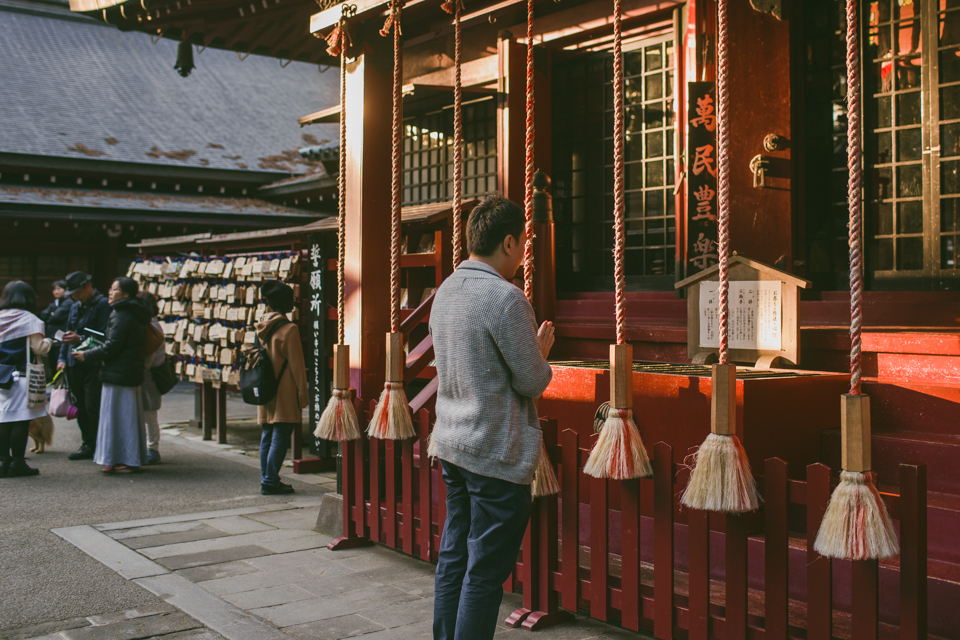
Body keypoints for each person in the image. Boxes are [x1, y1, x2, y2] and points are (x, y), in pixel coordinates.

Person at [429, 194, 555, 640]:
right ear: (507, 241)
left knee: (454, 559)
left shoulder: (445, 291)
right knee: (483, 574)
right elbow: (532, 382)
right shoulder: (505, 298)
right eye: (523, 243)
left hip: (453, 442)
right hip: (493, 451)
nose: (523, 254)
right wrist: (541, 353)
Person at [74, 277, 149, 472]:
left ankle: (122, 458)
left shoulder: (122, 313)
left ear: (125, 294)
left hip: (119, 371)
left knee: (117, 416)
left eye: (114, 289)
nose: (109, 292)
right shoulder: (132, 311)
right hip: (126, 370)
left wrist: (87, 354)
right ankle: (123, 457)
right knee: (124, 416)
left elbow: (113, 345)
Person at [253, 280, 308, 496]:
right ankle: (270, 480)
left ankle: (267, 478)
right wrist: (303, 396)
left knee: (267, 433)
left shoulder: (260, 326)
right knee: (281, 435)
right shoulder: (289, 329)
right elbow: (297, 367)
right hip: (283, 389)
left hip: (265, 387)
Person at [0, 281, 53, 477]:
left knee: (3, 420)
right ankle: (17, 464)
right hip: (23, 376)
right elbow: (39, 348)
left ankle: (2, 462)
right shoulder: (30, 319)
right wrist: (49, 341)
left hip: (2, 377)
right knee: (21, 421)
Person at [57, 271, 110, 460]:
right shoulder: (74, 306)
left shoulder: (103, 304)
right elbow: (67, 333)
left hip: (92, 362)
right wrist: (61, 358)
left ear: (87, 286)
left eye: (76, 292)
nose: (73, 296)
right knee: (80, 406)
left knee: (93, 405)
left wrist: (81, 339)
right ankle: (87, 443)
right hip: (73, 363)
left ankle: (100, 444)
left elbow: (106, 336)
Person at [137, 291, 165, 465]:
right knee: (148, 414)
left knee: (149, 414)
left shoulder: (152, 327)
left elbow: (151, 359)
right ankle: (149, 447)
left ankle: (152, 449)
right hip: (148, 372)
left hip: (149, 374)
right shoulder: (152, 324)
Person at [39, 280, 73, 379]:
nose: (56, 292)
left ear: (65, 290)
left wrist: (51, 314)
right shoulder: (54, 303)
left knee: (60, 364)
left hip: (61, 337)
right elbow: (43, 315)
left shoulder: (68, 302)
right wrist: (51, 313)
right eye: (54, 289)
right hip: (52, 337)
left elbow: (56, 317)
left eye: (59, 289)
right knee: (52, 364)